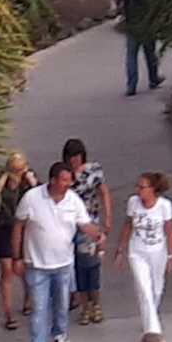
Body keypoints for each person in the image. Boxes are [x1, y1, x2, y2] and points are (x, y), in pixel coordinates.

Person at [15, 162, 104, 342]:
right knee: (39, 309)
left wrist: (98, 235)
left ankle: (60, 336)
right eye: (64, 180)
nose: (67, 184)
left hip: (63, 264)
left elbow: (84, 224)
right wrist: (17, 257)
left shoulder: (73, 200)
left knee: (61, 305)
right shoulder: (31, 198)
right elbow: (18, 226)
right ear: (53, 180)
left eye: (70, 181)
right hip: (37, 265)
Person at [115, 171, 172, 334]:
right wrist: (120, 249)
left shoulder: (164, 205)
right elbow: (128, 225)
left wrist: (170, 255)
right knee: (144, 289)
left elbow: (170, 231)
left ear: (153, 189)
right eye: (137, 186)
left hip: (158, 252)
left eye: (142, 187)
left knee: (156, 289)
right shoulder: (133, 202)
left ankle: (150, 318)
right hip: (137, 252)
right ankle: (153, 330)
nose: (138, 190)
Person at [62, 137, 112, 325]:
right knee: (76, 267)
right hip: (69, 224)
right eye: (71, 157)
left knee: (91, 264)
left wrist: (107, 217)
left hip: (90, 221)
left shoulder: (93, 170)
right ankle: (84, 306)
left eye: (77, 156)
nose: (74, 160)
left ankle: (95, 304)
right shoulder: (65, 173)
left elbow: (104, 192)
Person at [0, 151, 39, 331]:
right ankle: (8, 313)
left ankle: (28, 299)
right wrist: (0, 185)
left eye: (20, 169)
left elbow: (42, 199)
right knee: (7, 270)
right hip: (4, 228)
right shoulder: (0, 181)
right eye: (15, 170)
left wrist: (32, 182)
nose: (18, 173)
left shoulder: (28, 180)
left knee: (24, 268)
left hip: (24, 228)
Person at [113, 0, 163, 96]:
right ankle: (153, 79)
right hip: (147, 15)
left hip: (132, 17)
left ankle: (131, 85)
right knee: (150, 51)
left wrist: (119, 7)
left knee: (131, 53)